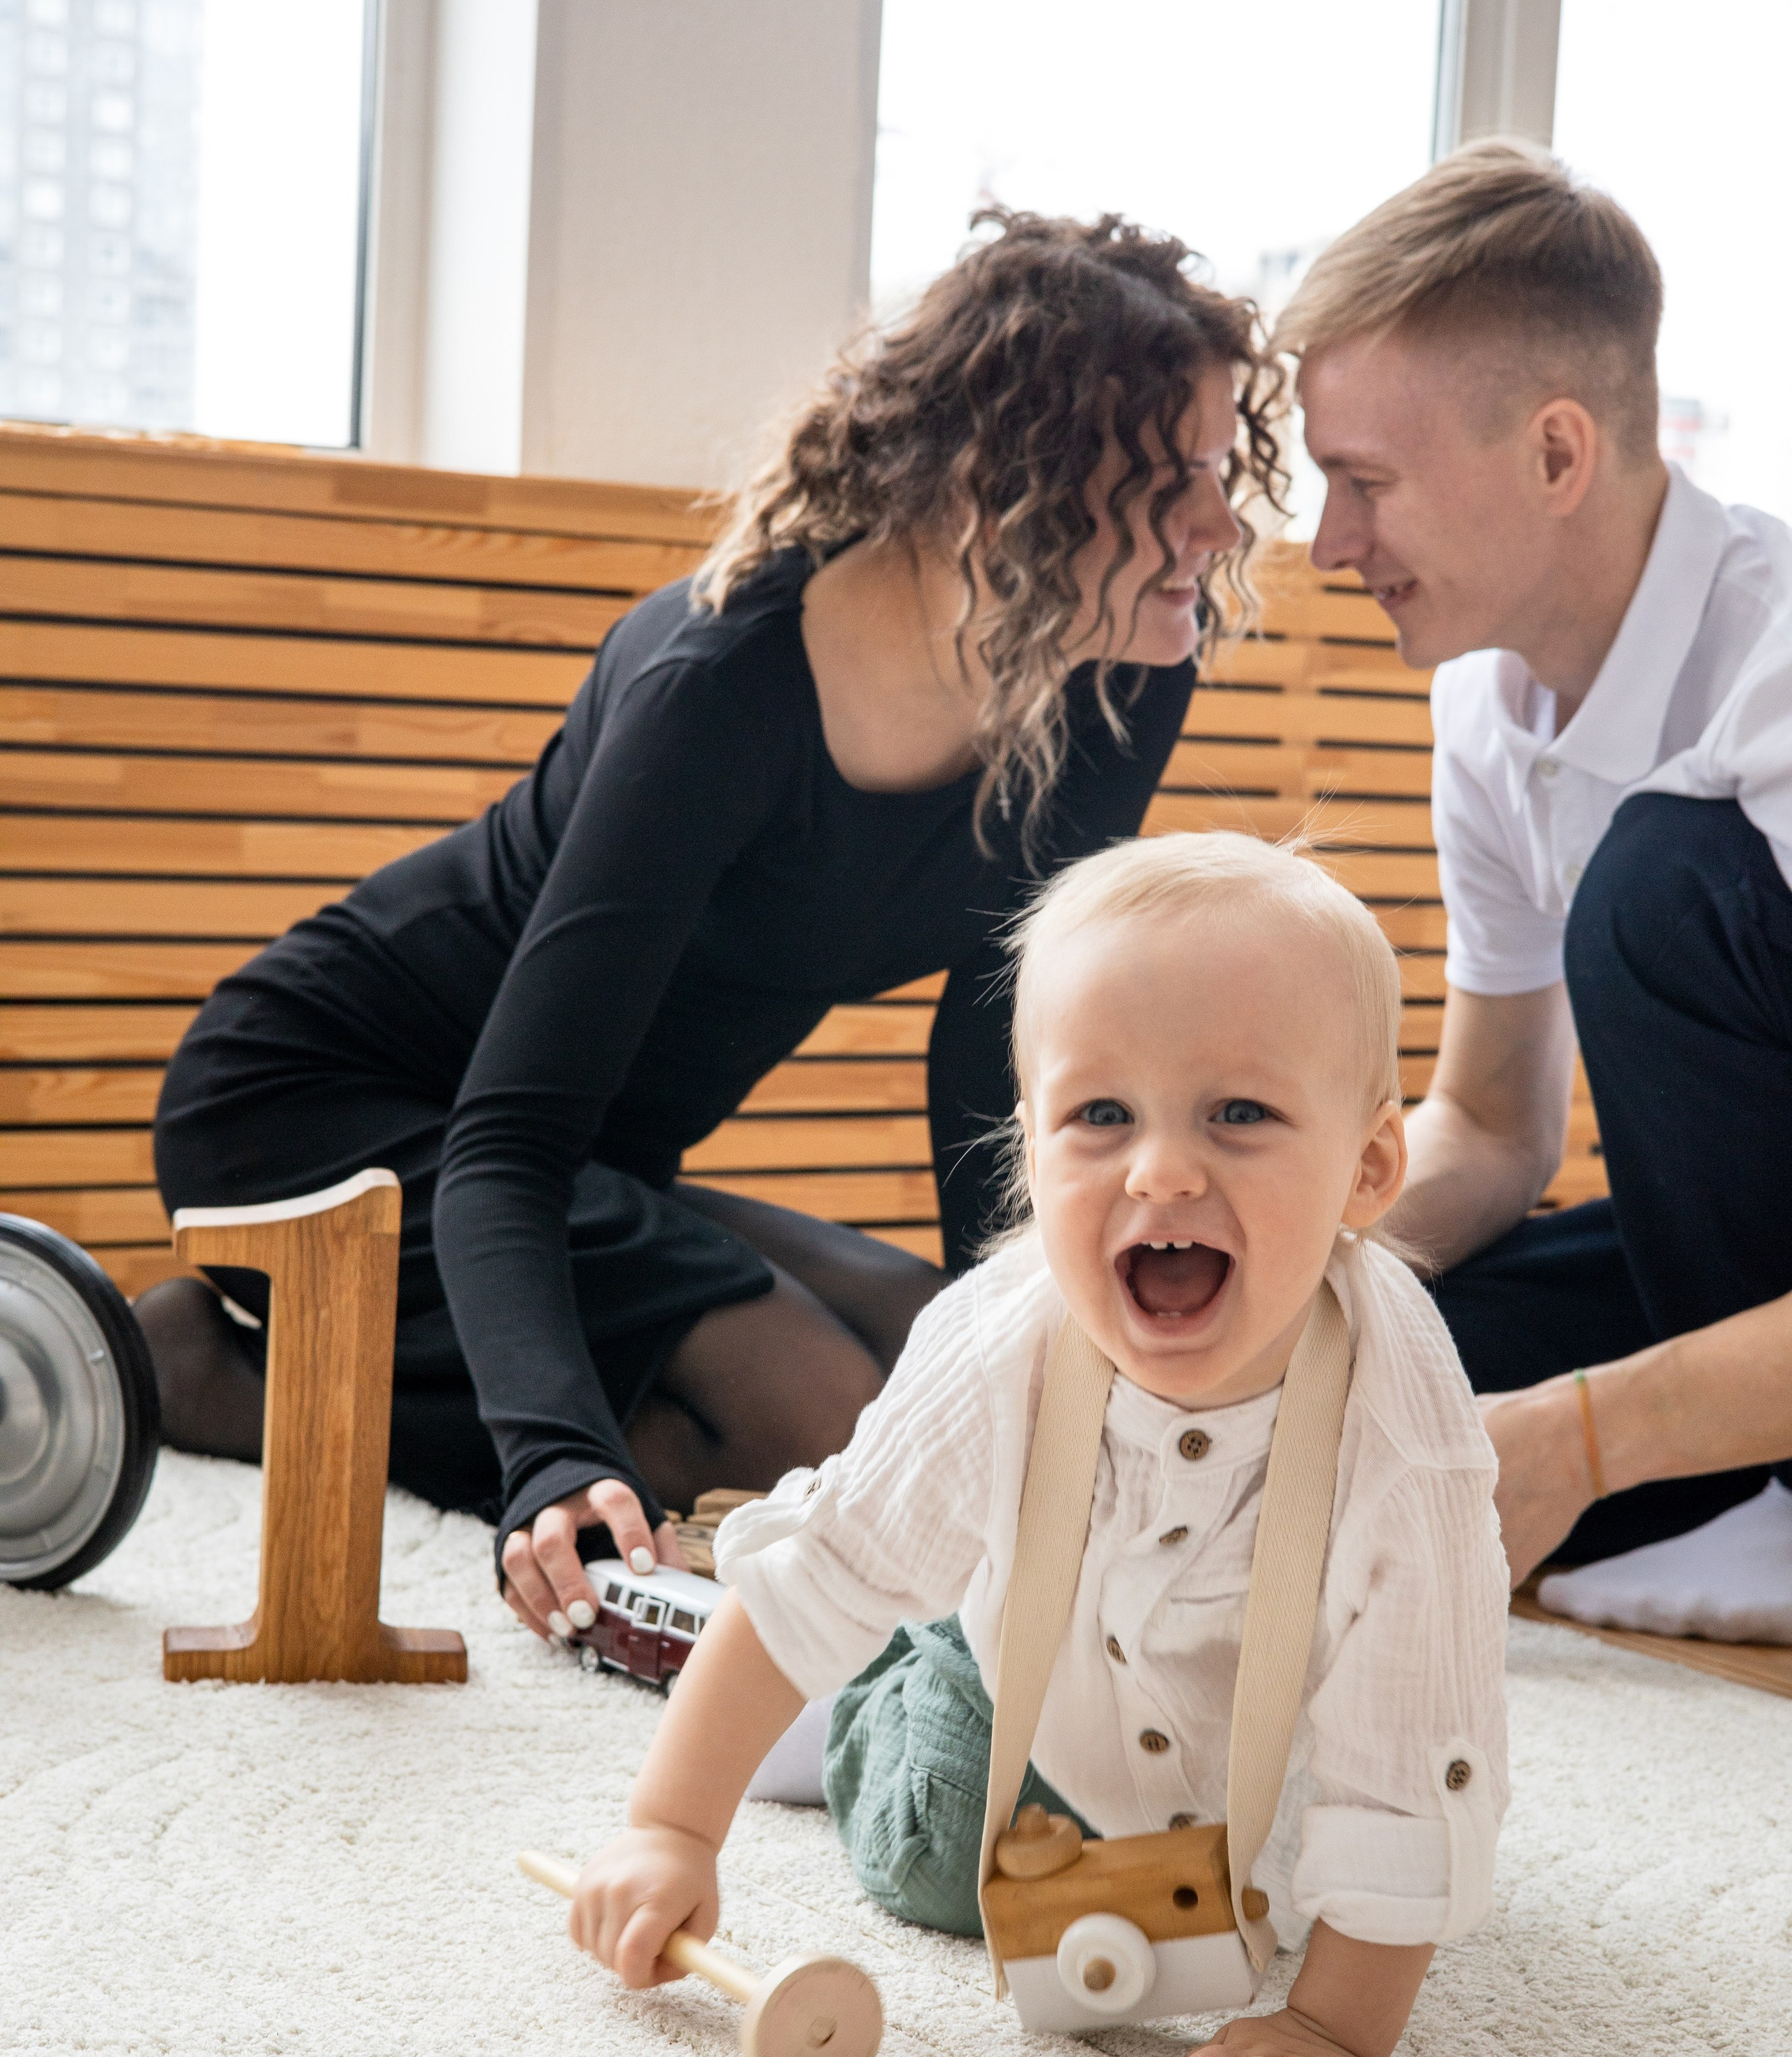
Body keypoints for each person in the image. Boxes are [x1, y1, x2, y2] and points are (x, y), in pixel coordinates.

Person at [139, 210, 1287, 1638]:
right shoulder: (721, 685)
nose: (1222, 522)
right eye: (1173, 478)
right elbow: (507, 1135)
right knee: (829, 1415)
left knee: (924, 1367)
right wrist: (547, 1458)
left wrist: (1030, 1347)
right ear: (1009, 482)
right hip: (322, 1111)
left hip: (586, 1167)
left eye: (1218, 468)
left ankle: (367, 1370)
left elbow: (991, 1039)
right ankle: (196, 1367)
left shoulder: (1111, 667)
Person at [566, 833, 1509, 2057]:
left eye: (1239, 1114)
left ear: (1367, 1170)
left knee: (1319, 1884)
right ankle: (856, 1692)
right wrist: (671, 1829)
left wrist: (1331, 2024)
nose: (1162, 1171)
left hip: (1267, 1755)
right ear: (1029, 1150)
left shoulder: (1410, 1431)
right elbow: (821, 1575)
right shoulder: (1000, 1342)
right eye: (1101, 1116)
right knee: (947, 1850)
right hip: (1026, 1674)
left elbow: (1418, 1748)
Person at [1280, 141, 1792, 1635]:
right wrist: (1304, 1281)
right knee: (1378, 1362)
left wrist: (1580, 1441)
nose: (1327, 546)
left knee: (1655, 887)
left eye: (1361, 484)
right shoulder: (1487, 704)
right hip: (1729, 1277)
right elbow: (1495, 1128)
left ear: (1555, 454)